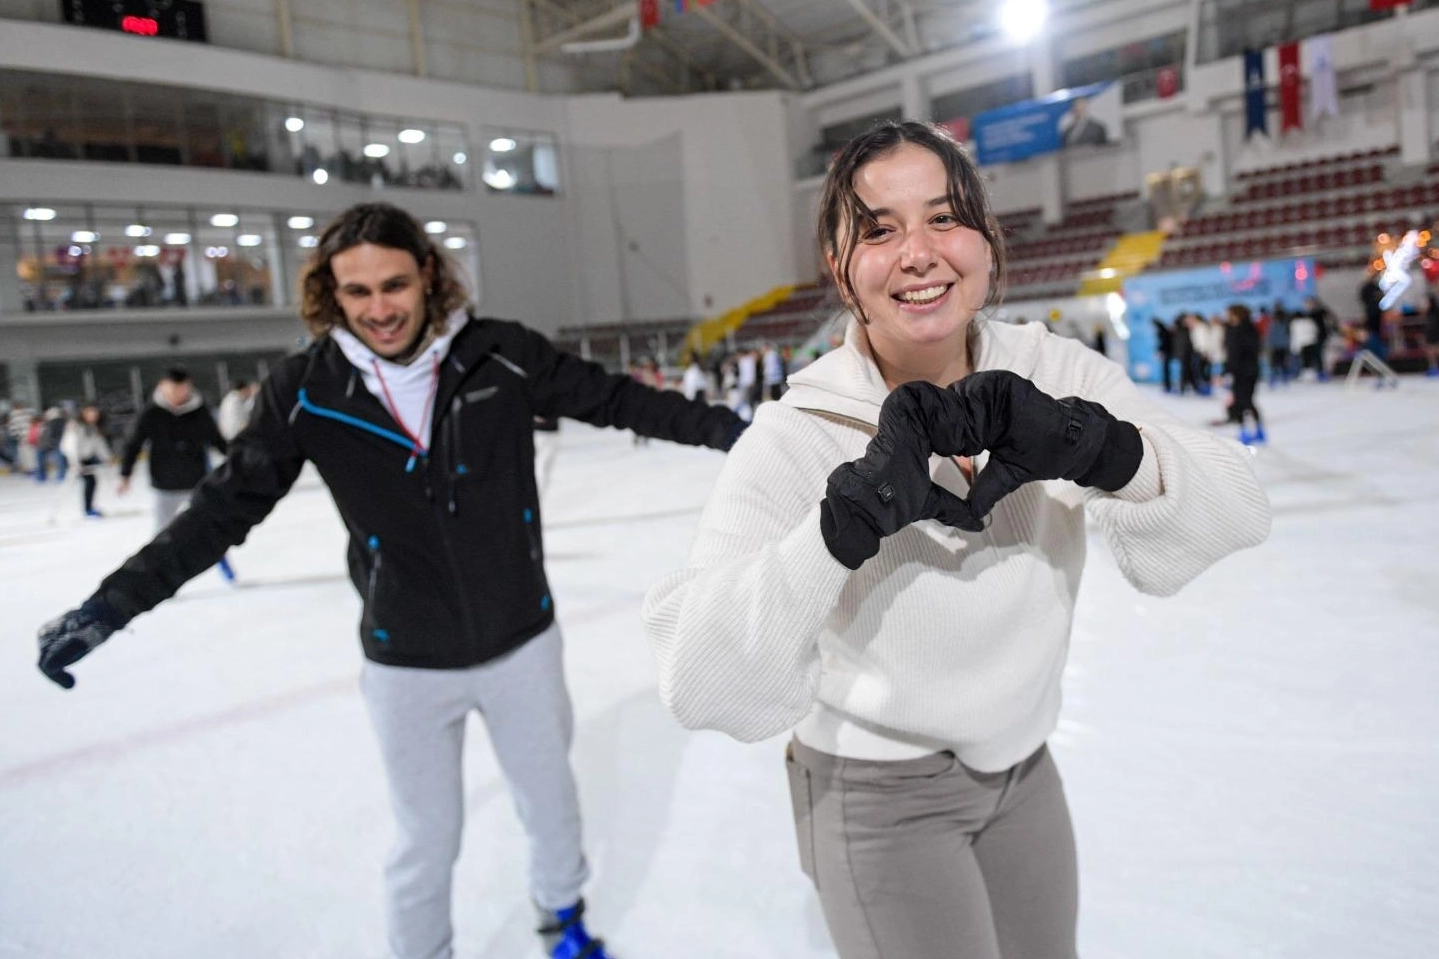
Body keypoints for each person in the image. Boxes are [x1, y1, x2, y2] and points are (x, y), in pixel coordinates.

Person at [36, 202, 744, 959]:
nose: (380, 308)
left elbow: (622, 400)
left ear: (428, 275)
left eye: (395, 285)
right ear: (331, 295)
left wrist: (749, 435)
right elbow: (217, 514)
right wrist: (109, 606)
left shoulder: (499, 354)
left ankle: (561, 918)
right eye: (358, 292)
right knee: (424, 837)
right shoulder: (305, 389)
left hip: (519, 642)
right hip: (404, 661)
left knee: (550, 803)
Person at [641, 121, 1270, 959]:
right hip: (877, 791)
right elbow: (696, 673)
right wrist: (835, 531)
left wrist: (1100, 446)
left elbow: (1236, 507)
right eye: (878, 229)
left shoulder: (1053, 374)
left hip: (1024, 771)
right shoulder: (796, 433)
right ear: (839, 267)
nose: (918, 252)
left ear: (986, 237)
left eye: (944, 218)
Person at [60, 403, 112, 518]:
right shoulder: (75, 426)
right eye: (91, 413)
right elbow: (70, 445)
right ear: (84, 413)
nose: (94, 415)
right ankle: (87, 509)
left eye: (95, 413)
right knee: (89, 481)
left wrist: (106, 457)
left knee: (92, 481)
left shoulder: (92, 427)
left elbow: (99, 443)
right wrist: (74, 462)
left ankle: (89, 508)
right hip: (74, 458)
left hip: (86, 457)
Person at [1224, 303, 1264, 444]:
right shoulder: (1240, 329)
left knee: (1244, 400)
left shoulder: (1241, 330)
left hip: (1244, 371)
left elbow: (1237, 353)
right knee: (1245, 400)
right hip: (1244, 370)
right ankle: (1252, 430)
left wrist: (1229, 369)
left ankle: (1249, 431)